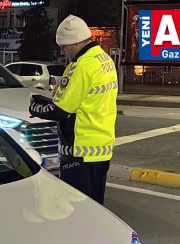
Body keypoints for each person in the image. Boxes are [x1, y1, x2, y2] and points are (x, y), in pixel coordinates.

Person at [29, 15, 118, 205]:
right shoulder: (104, 60)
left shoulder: (81, 66)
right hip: (101, 149)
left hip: (79, 151)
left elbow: (60, 110)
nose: (62, 50)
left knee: (76, 210)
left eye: (64, 46)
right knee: (95, 208)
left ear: (76, 42)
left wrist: (35, 107)